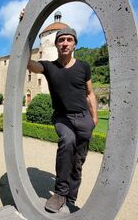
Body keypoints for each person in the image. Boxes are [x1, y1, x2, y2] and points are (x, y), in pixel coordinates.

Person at [27, 27, 98, 213]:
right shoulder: (49, 67)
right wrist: (25, 28)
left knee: (78, 161)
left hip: (83, 118)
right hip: (62, 117)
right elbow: (28, 64)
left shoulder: (84, 67)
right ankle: (59, 194)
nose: (65, 43)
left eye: (69, 39)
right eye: (61, 40)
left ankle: (70, 197)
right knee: (67, 142)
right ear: (56, 44)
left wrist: (94, 119)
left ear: (75, 44)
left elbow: (90, 93)